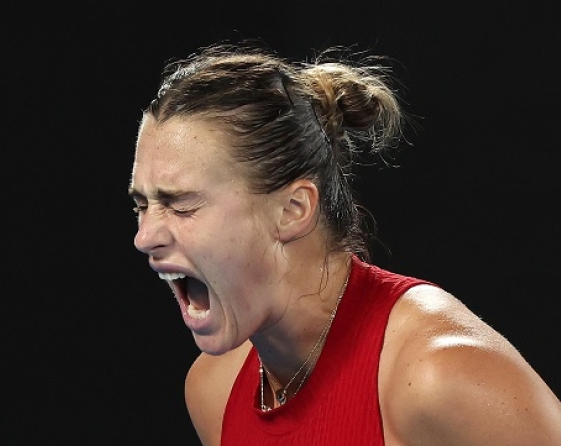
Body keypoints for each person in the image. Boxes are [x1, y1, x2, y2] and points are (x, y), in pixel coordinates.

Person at [127, 38, 561, 445]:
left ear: (292, 209)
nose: (145, 237)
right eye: (142, 205)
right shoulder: (214, 391)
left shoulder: (440, 376)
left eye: (181, 205)